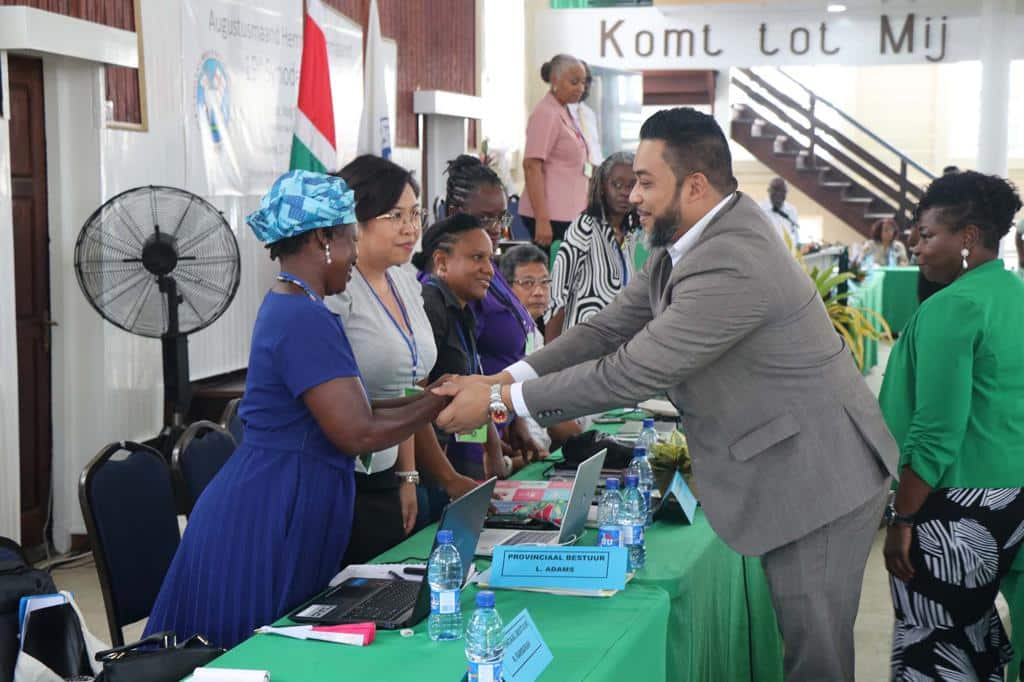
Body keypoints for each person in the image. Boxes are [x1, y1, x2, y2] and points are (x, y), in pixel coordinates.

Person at [433, 108, 898, 682]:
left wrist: (502, 406)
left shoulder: (732, 259)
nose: (632, 197)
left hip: (816, 478)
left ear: (696, 185)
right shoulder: (692, 237)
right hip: (793, 462)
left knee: (816, 661)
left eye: (646, 182)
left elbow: (631, 370)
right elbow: (606, 328)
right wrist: (504, 380)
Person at [144, 171, 450, 648]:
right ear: (321, 239)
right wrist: (435, 406)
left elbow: (361, 408)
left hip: (288, 497)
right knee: (255, 649)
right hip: (268, 512)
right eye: (349, 241)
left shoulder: (303, 306)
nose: (352, 258)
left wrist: (434, 398)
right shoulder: (302, 316)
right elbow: (358, 432)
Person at [879, 171, 1024, 679]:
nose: (916, 247)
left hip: (956, 504)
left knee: (935, 649)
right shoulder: (1012, 293)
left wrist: (903, 518)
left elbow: (937, 430)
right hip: (1011, 497)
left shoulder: (954, 306)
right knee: (972, 639)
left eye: (927, 235)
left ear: (966, 238)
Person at [327, 155, 477, 564]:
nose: (412, 228)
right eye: (395, 215)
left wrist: (408, 475)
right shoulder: (337, 289)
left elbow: (408, 387)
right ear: (355, 220)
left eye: (415, 214)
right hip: (343, 479)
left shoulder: (404, 279)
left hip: (389, 473)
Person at [444, 155, 546, 465]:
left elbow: (505, 361)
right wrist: (486, 449)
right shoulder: (455, 280)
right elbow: (467, 372)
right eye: (486, 218)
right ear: (454, 214)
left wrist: (516, 422)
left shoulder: (491, 270)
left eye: (502, 218)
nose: (498, 229)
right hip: (470, 440)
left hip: (499, 426)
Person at [413, 214, 506, 480]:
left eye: (490, 258)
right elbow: (415, 406)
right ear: (441, 261)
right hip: (427, 469)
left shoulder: (462, 310)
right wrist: (449, 480)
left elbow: (471, 382)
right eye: (477, 258)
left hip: (448, 462)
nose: (489, 269)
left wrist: (493, 450)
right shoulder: (430, 304)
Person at [548, 151, 641, 339]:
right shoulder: (585, 227)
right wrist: (548, 361)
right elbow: (557, 295)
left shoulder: (631, 234)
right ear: (602, 188)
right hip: (581, 344)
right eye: (617, 184)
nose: (625, 192)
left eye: (632, 185)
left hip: (617, 343)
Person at [501, 243, 581, 453]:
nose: (538, 292)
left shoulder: (534, 332)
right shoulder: (503, 336)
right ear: (506, 288)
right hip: (520, 452)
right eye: (527, 283)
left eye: (544, 282)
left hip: (540, 448)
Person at [520, 53, 589, 250]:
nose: (581, 88)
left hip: (569, 213)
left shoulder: (564, 111)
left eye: (583, 82)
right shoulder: (546, 113)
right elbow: (532, 166)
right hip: (550, 217)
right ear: (555, 80)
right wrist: (542, 219)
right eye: (574, 82)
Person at [568, 61, 602, 168]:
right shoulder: (558, 113)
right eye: (581, 81)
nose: (586, 86)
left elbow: (594, 149)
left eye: (588, 81)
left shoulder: (588, 113)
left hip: (593, 177)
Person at [759, 177, 800, 247]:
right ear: (768, 191)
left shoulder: (792, 210)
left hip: (786, 254)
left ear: (786, 193)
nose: (778, 193)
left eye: (782, 190)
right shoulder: (759, 209)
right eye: (775, 189)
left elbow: (795, 234)